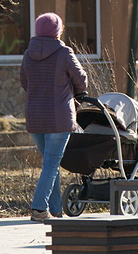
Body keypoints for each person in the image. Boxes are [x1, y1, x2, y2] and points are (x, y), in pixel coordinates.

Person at [21, 12, 88, 221]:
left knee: (50, 163)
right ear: (57, 31)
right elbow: (81, 79)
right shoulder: (64, 52)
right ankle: (39, 209)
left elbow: (25, 82)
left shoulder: (28, 54)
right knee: (51, 164)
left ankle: (56, 209)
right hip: (58, 117)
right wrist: (77, 92)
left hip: (35, 117)